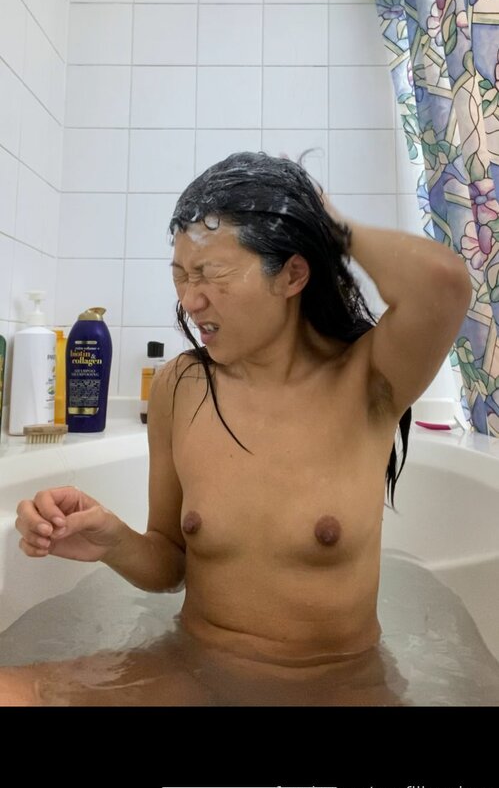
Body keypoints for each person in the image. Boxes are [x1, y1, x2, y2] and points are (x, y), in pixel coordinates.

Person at [2, 151, 472, 706]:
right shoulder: (181, 385)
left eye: (210, 274)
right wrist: (112, 539)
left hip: (336, 685)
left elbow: (443, 284)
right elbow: (170, 564)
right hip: (192, 669)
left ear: (292, 274)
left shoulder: (368, 380)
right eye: (180, 276)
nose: (190, 300)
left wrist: (326, 224)